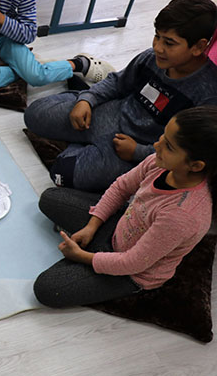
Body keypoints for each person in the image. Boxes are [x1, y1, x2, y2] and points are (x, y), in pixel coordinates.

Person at [24, 0, 217, 192]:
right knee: (34, 114)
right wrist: (87, 101)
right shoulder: (150, 58)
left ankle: (84, 140)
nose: (158, 47)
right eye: (157, 36)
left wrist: (138, 152)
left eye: (169, 43)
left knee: (62, 175)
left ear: (199, 47)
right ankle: (83, 99)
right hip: (108, 115)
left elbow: (185, 151)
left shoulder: (208, 94)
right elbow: (117, 82)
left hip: (131, 148)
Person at [33, 106, 217, 307]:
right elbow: (121, 188)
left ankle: (88, 261)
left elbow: (133, 262)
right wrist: (91, 227)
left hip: (132, 272)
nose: (157, 145)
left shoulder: (182, 216)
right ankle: (90, 254)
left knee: (47, 289)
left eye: (169, 146)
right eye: (163, 136)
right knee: (50, 198)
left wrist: (82, 257)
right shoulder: (158, 162)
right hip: (118, 227)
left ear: (196, 165)